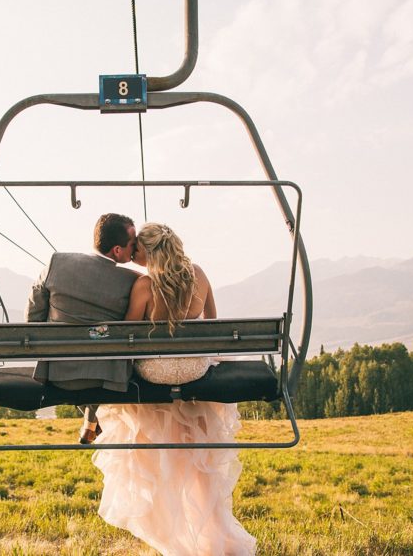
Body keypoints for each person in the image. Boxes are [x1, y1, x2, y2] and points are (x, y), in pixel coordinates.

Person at [93, 223, 256, 556]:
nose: (134, 253)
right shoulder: (199, 274)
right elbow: (214, 327)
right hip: (194, 370)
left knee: (141, 402)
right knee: (194, 425)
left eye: (137, 248)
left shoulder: (144, 286)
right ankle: (211, 532)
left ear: (148, 253)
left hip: (155, 372)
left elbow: (129, 340)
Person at [25, 213, 140, 444]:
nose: (135, 248)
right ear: (117, 250)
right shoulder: (132, 280)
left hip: (57, 374)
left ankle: (90, 418)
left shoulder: (57, 262)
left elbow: (34, 315)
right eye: (132, 244)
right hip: (109, 380)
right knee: (105, 343)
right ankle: (92, 417)